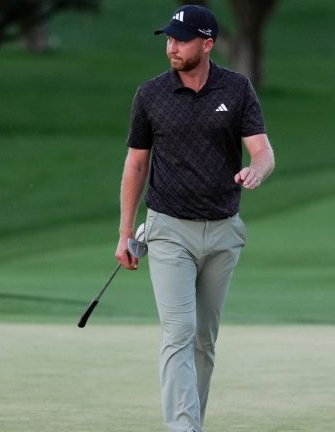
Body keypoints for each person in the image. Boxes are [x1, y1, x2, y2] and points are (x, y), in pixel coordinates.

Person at [115, 4, 275, 431]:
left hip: (223, 231)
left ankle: (191, 423)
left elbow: (262, 151)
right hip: (168, 229)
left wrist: (256, 170)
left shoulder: (237, 90)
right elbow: (135, 166)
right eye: (169, 39)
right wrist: (125, 232)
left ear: (206, 44)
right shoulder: (150, 96)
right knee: (179, 333)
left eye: (181, 39)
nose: (172, 47)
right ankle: (183, 429)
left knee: (203, 342)